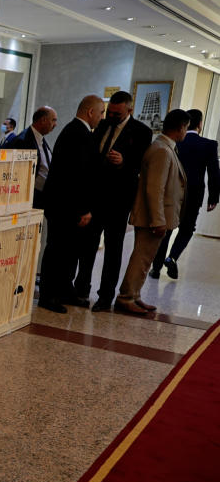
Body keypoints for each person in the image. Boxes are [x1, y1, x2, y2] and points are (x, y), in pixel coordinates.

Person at [73, 91, 153, 312]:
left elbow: (141, 166)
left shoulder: (141, 132)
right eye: (110, 112)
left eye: (118, 113)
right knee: (87, 246)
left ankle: (105, 296)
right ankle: (81, 288)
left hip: (118, 201)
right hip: (95, 197)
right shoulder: (102, 125)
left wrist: (124, 162)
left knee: (113, 250)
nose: (112, 116)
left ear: (129, 110)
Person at [115, 108, 190, 315]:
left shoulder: (164, 147)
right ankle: (126, 297)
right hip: (152, 218)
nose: (186, 132)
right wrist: (158, 220)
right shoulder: (161, 150)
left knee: (145, 259)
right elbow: (154, 188)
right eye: (186, 128)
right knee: (141, 258)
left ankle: (135, 295)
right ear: (181, 128)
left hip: (156, 217)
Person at [37, 95, 105, 313]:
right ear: (90, 112)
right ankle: (48, 296)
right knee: (57, 251)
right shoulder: (77, 133)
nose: (102, 118)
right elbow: (77, 176)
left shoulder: (78, 131)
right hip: (64, 206)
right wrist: (84, 209)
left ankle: (65, 290)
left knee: (69, 252)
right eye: (101, 112)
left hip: (66, 204)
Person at [150, 108, 220, 279]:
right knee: (187, 228)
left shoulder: (175, 141)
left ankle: (156, 268)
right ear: (200, 124)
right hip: (194, 194)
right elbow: (213, 172)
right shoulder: (209, 145)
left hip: (172, 193)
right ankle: (172, 257)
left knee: (166, 229)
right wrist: (213, 197)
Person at [7, 106, 58, 209]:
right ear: (43, 120)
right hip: (32, 199)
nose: (55, 125)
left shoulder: (41, 138)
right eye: (53, 120)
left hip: (45, 197)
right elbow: (20, 175)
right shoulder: (23, 140)